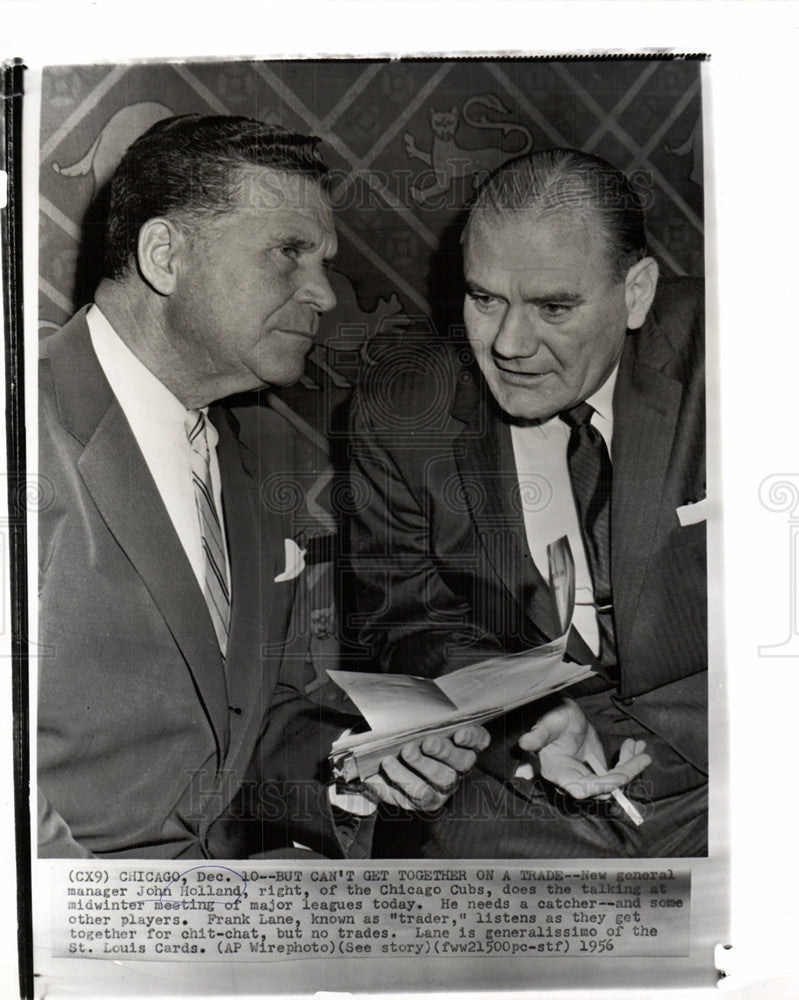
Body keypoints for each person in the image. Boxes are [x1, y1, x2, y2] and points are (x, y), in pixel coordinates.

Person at [37, 114, 489, 860]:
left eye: (322, 259)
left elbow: (245, 723)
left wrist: (358, 763)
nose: (324, 294)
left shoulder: (237, 456)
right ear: (164, 256)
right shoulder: (22, 425)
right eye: (289, 253)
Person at [349, 148, 707, 858]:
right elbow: (406, 622)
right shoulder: (399, 412)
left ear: (635, 293)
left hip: (733, 762)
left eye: (553, 306)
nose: (508, 345)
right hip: (523, 779)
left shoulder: (742, 349)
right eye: (484, 299)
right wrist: (530, 713)